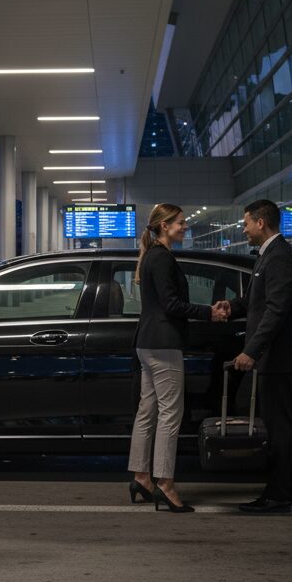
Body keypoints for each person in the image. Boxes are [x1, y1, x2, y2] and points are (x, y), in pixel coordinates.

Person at [129, 203, 229, 513]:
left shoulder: (152, 256)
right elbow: (172, 305)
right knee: (170, 416)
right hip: (164, 344)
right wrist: (208, 313)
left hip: (147, 343)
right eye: (180, 223)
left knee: (148, 411)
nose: (185, 227)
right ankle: (165, 483)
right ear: (164, 226)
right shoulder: (162, 258)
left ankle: (142, 476)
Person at [217, 199, 292, 515]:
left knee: (280, 427)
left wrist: (250, 351)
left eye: (246, 223)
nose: (243, 229)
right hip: (277, 355)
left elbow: (276, 310)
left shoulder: (280, 257)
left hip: (279, 356)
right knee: (288, 425)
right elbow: (259, 299)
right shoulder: (270, 255)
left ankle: (278, 495)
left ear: (261, 222)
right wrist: (234, 307)